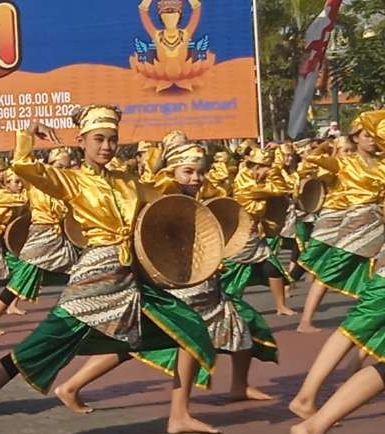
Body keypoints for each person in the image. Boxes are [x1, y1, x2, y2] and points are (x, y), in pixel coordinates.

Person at [0, 106, 218, 434]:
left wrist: (185, 182)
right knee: (32, 350)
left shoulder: (126, 183)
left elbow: (163, 205)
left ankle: (179, 415)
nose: (106, 146)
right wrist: (29, 134)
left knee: (188, 326)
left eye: (112, 139)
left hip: (128, 280)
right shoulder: (72, 180)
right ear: (82, 141)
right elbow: (23, 167)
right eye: (99, 139)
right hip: (92, 283)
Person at [134, 142, 278, 401]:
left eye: (200, 172)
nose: (196, 178)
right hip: (180, 281)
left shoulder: (200, 194)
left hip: (206, 279)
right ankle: (73, 386)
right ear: (172, 171)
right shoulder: (160, 195)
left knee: (241, 324)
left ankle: (239, 386)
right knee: (149, 342)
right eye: (188, 171)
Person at [296, 111, 384, 333]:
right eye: (367, 136)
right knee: (331, 270)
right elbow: (312, 160)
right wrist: (324, 145)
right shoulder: (345, 164)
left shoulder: (383, 164)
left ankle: (369, 321)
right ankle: (305, 321)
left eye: (375, 136)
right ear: (355, 138)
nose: (372, 140)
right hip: (355, 223)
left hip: (379, 222)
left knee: (377, 273)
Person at [0, 147, 79, 335]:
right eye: (59, 166)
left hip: (59, 239)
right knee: (19, 281)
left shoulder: (65, 187)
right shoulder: (34, 182)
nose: (63, 170)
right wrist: (28, 134)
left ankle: (78, 318)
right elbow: (21, 161)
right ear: (49, 165)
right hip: (40, 238)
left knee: (81, 272)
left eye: (66, 166)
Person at [222, 147, 296, 316]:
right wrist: (275, 171)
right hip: (241, 236)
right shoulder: (246, 183)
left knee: (272, 268)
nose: (268, 170)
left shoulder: (258, 180)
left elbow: (285, 189)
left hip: (255, 234)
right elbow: (280, 190)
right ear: (254, 166)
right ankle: (225, 304)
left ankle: (281, 306)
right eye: (265, 167)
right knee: (233, 273)